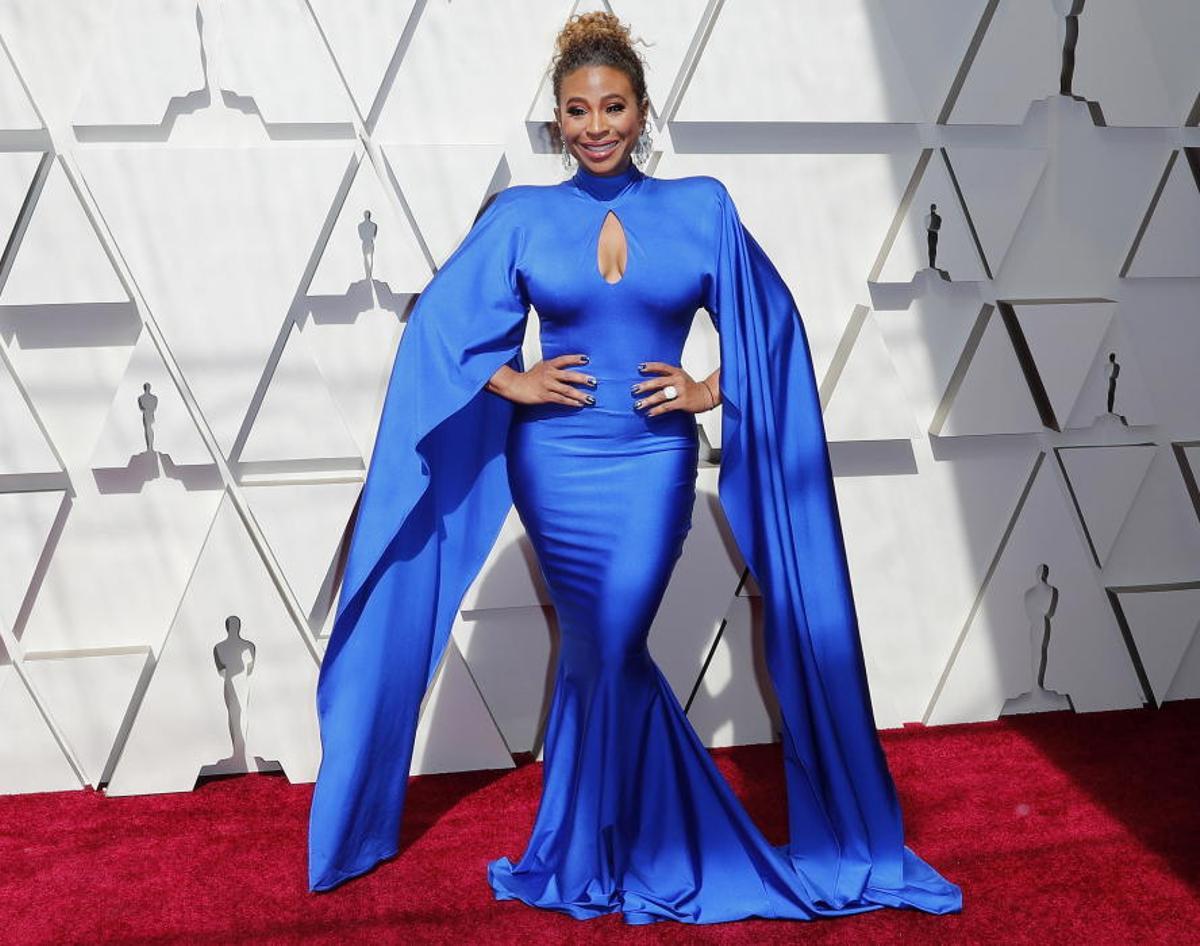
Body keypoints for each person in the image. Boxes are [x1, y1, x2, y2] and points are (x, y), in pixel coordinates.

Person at [307, 11, 963, 926]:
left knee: (611, 643)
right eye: (577, 111)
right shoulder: (522, 216)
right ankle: (602, 847)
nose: (596, 126)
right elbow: (437, 330)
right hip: (554, 466)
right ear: (557, 120)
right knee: (595, 648)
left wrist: (707, 390)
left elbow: (773, 328)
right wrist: (515, 381)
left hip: (653, 462)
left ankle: (602, 846)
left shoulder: (702, 208)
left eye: (613, 107)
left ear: (642, 111)